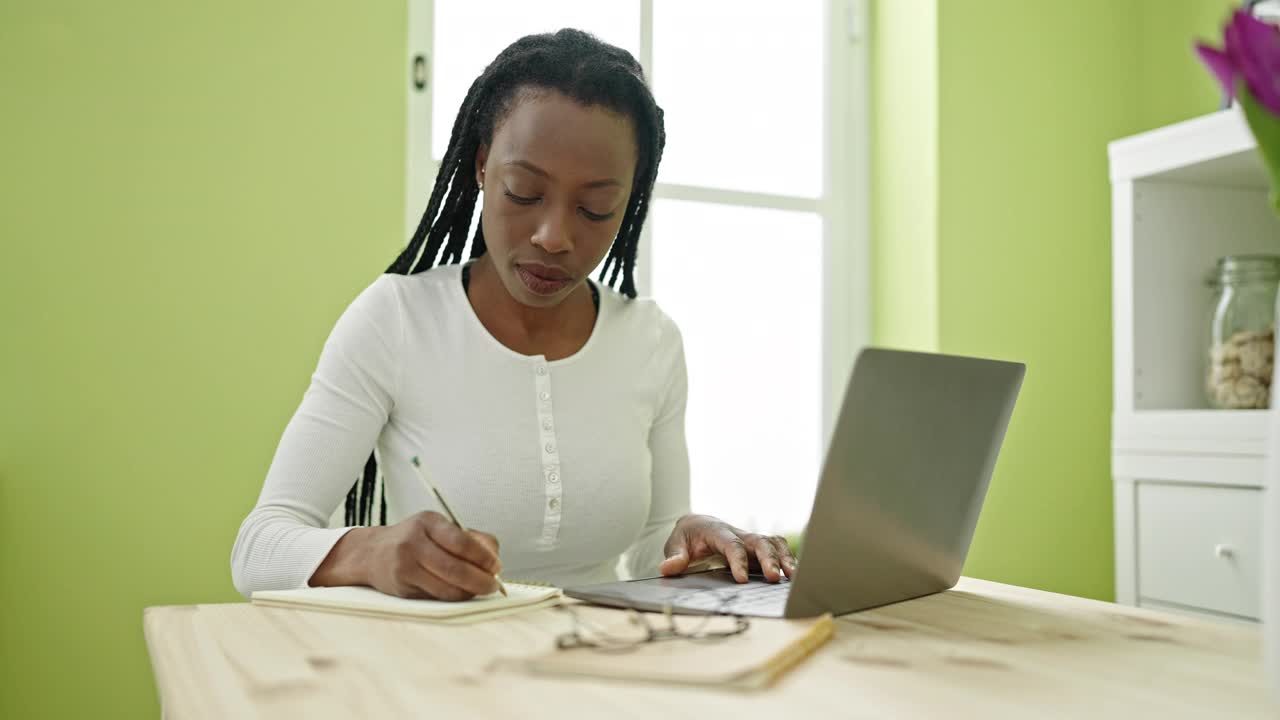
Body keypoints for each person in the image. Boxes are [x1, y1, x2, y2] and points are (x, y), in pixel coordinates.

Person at [230, 28, 796, 601]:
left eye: (596, 209)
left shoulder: (650, 341)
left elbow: (651, 549)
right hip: (439, 675)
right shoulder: (396, 320)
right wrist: (374, 551)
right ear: (481, 166)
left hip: (603, 664)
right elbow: (258, 547)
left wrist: (690, 540)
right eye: (524, 193)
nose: (554, 238)